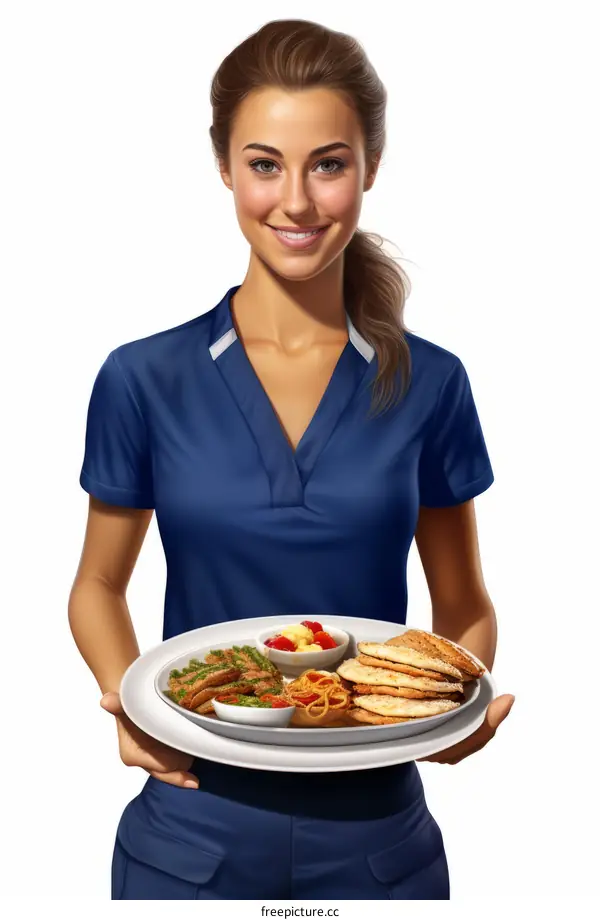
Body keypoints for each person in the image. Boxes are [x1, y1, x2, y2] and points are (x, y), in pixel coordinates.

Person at [69, 19, 514, 900]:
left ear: (370, 168)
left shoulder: (433, 384)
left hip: (382, 845)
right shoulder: (141, 377)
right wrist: (128, 704)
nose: (298, 203)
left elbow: (462, 607)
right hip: (190, 837)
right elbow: (97, 587)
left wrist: (458, 710)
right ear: (225, 167)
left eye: (329, 164)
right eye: (266, 164)